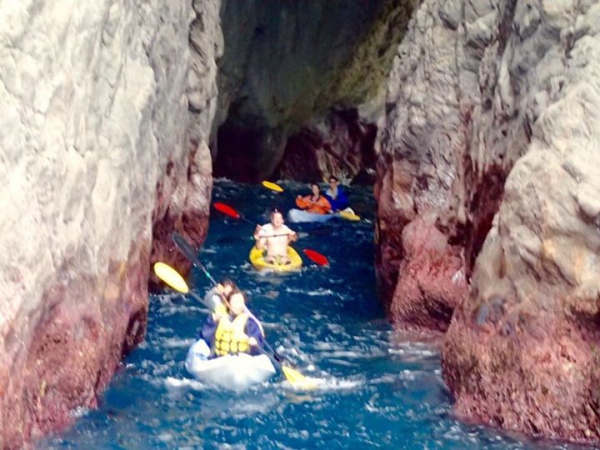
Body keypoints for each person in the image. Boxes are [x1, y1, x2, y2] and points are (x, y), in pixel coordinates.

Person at [199, 289, 265, 357]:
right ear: (228, 303)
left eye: (241, 302)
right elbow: (204, 337)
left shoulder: (249, 323)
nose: (238, 305)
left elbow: (258, 347)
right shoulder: (218, 318)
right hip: (219, 358)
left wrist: (254, 343)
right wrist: (212, 323)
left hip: (242, 359)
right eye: (235, 302)